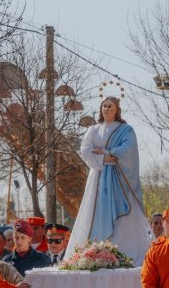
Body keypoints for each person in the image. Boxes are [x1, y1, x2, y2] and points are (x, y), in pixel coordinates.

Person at [65, 96, 152, 265]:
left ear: (116, 109)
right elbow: (85, 149)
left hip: (119, 178)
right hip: (98, 177)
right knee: (95, 210)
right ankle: (96, 251)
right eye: (104, 106)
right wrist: (104, 159)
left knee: (124, 217)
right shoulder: (93, 130)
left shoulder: (125, 130)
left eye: (110, 106)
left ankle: (126, 254)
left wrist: (105, 151)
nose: (106, 109)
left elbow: (127, 149)